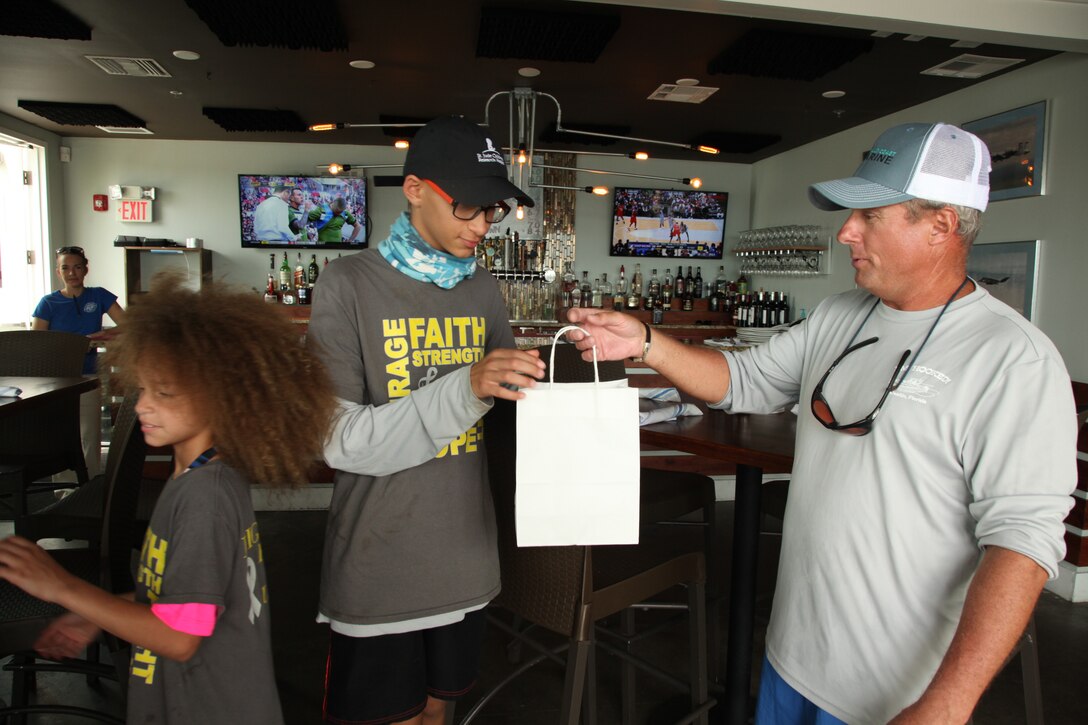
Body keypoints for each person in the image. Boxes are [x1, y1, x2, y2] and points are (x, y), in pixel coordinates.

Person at [567, 122, 1077, 724]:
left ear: (940, 225)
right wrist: (646, 342)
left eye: (870, 216)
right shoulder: (841, 314)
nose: (845, 232)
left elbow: (1022, 541)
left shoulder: (1013, 359)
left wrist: (947, 704)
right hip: (791, 654)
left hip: (894, 692)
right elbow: (744, 382)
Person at [0, 273, 337, 724]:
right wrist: (106, 612)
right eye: (143, 389)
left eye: (165, 393)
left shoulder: (205, 499)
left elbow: (180, 636)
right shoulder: (206, 478)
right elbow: (187, 593)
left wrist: (63, 587)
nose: (141, 406)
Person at [307, 115, 545, 725]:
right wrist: (465, 386)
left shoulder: (482, 288)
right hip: (380, 561)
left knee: (439, 714)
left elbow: (505, 409)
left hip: (465, 556)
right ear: (415, 189)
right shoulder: (347, 285)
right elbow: (340, 441)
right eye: (468, 207)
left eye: (492, 211)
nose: (483, 226)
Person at [32, 245, 126, 476]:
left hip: (88, 376)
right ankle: (64, 493)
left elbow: (129, 326)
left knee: (89, 434)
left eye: (77, 267)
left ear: (86, 269)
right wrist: (72, 345)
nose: (72, 272)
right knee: (60, 435)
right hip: (58, 380)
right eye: (66, 268)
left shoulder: (99, 295)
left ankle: (90, 487)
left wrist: (100, 337)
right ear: (58, 272)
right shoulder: (48, 303)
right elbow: (35, 343)